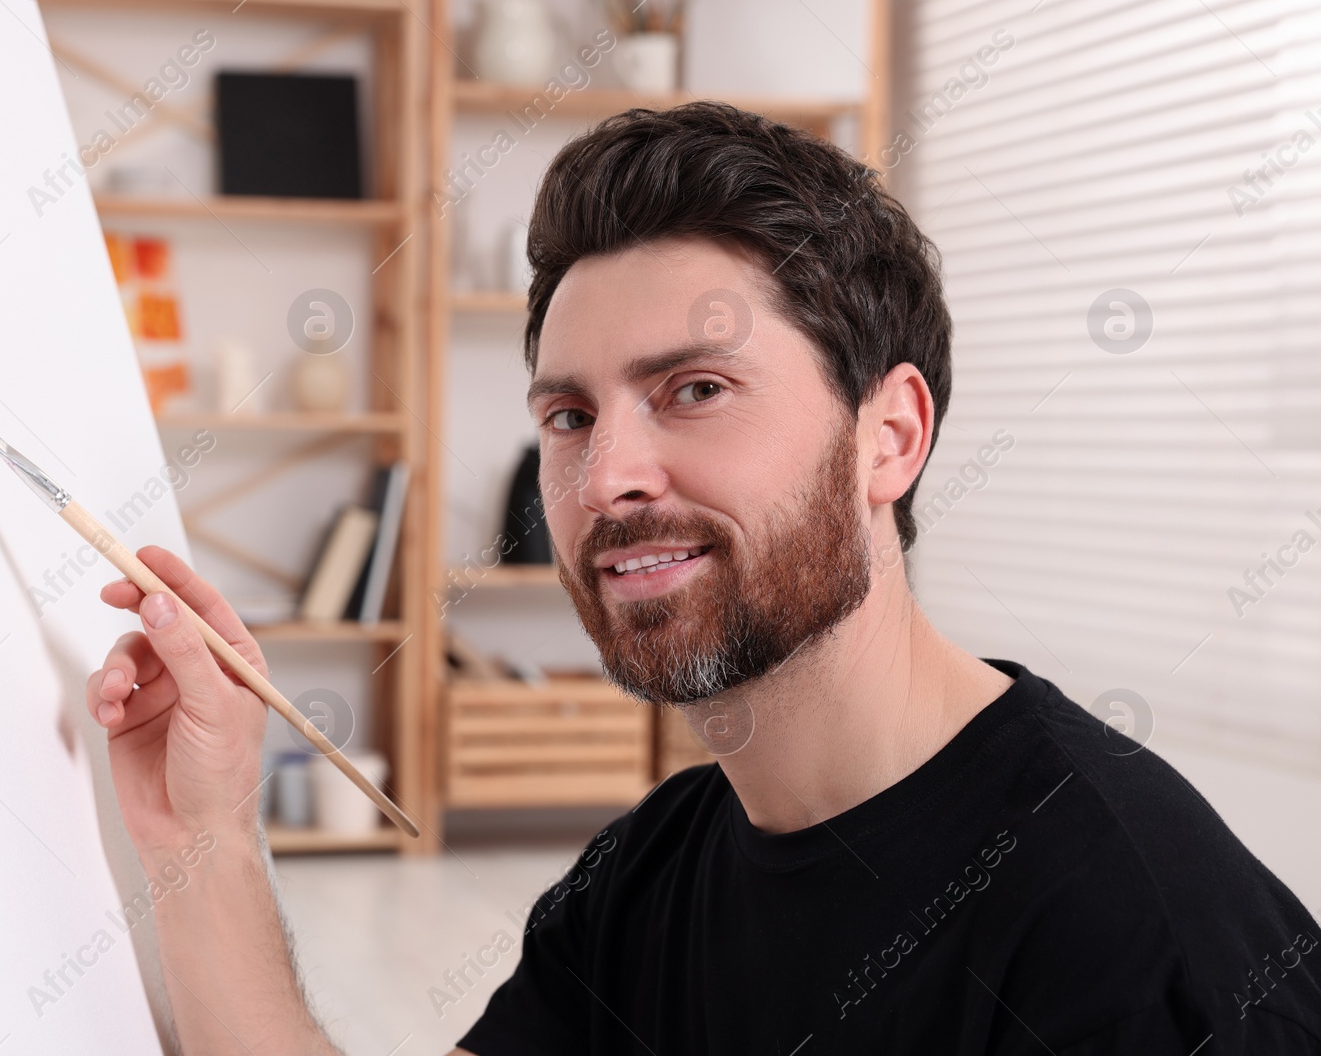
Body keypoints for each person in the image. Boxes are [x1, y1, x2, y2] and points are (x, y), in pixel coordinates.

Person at [84, 103, 1321, 1054]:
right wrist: (199, 830)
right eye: (568, 415)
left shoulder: (1135, 944)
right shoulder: (649, 873)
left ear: (889, 436)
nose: (608, 473)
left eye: (695, 389)